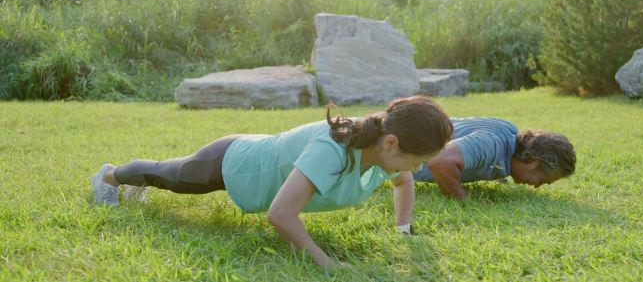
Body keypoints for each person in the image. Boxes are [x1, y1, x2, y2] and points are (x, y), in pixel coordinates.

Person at [90, 95, 453, 268]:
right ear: (391, 143)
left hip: (260, 154)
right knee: (169, 175)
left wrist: (403, 230)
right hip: (233, 162)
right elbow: (281, 214)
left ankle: (135, 180)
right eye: (418, 160)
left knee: (164, 176)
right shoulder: (336, 149)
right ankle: (110, 176)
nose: (417, 170)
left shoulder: (383, 145)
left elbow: (403, 184)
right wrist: (324, 262)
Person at [412, 117, 575, 200]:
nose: (537, 187)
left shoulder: (510, 133)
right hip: (393, 146)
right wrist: (462, 199)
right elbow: (440, 162)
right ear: (533, 160)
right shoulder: (491, 145)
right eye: (543, 180)